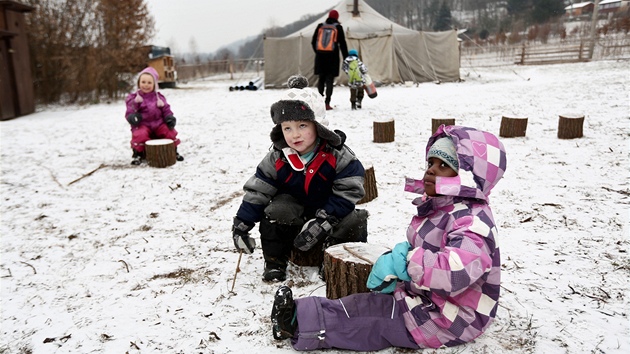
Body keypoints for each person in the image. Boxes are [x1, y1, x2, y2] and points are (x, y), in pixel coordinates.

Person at [270, 125, 507, 351]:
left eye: (444, 165)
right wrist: (404, 263)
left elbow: (457, 271)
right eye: (431, 162)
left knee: (373, 319)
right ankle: (303, 312)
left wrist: (405, 263)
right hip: (430, 297)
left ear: (467, 177)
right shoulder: (445, 206)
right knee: (367, 305)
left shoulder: (472, 222)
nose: (431, 170)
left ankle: (298, 324)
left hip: (451, 317)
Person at [231, 75, 368, 282]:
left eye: (302, 126)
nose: (295, 135)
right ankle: (275, 261)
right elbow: (258, 190)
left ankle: (332, 260)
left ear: (318, 125)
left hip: (330, 213)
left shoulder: (337, 155)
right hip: (295, 213)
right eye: (287, 128)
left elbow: (350, 190)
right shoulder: (278, 157)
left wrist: (324, 222)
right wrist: (242, 223)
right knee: (275, 211)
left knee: (355, 220)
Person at [124, 67, 183, 165]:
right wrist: (132, 117)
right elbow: (130, 111)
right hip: (143, 124)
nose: (146, 85)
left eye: (149, 83)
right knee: (140, 134)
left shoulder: (159, 97)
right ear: (139, 83)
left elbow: (166, 109)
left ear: (154, 85)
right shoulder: (134, 98)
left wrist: (169, 117)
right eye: (143, 82)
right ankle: (138, 153)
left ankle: (173, 150)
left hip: (158, 123)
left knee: (168, 131)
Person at [311, 9, 348, 111]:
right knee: (329, 81)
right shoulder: (338, 27)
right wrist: (346, 58)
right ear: (337, 17)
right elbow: (343, 44)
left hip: (320, 57)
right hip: (332, 58)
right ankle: (327, 103)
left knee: (321, 79)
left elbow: (313, 41)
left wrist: (318, 52)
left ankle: (319, 102)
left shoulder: (320, 26)